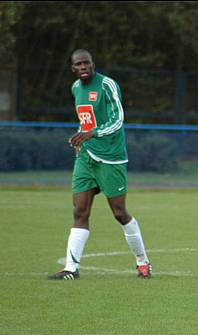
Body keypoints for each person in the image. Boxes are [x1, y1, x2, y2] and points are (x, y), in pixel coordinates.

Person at [48, 49, 152, 280]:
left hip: (111, 158)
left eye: (87, 63)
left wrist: (92, 134)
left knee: (119, 212)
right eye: (78, 64)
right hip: (86, 157)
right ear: (73, 68)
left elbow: (118, 120)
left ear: (93, 64)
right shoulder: (75, 88)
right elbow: (85, 120)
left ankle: (142, 261)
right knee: (80, 211)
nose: (83, 67)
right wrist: (80, 136)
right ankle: (71, 269)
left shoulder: (107, 85)